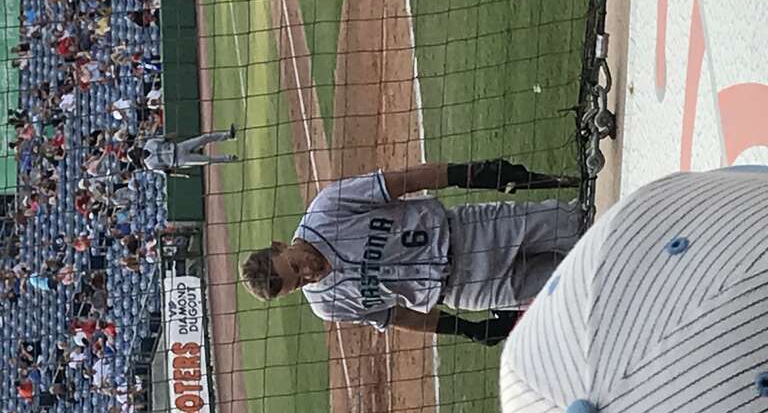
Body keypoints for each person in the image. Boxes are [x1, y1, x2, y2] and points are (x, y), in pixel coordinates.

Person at [240, 160, 582, 346]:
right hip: (469, 290)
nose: (308, 275)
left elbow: (403, 181)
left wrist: (469, 174)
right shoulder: (326, 304)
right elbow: (397, 316)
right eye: (298, 283)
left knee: (582, 225)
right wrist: (464, 328)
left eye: (295, 266)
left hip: (474, 232)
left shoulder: (326, 210)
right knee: (576, 290)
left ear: (279, 246)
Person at [141, 125, 238, 171]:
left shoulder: (150, 143)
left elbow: (164, 138)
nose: (138, 152)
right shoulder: (150, 165)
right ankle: (229, 158)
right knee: (207, 159)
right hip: (179, 160)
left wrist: (172, 135)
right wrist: (169, 169)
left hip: (179, 147)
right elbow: (165, 169)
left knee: (204, 138)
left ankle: (228, 135)